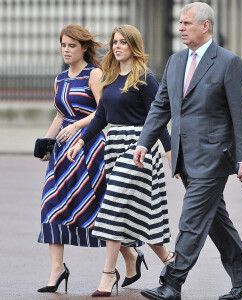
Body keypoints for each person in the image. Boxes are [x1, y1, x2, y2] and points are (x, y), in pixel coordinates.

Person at [134, 2, 242, 300]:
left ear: (205, 26)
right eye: (179, 23)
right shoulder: (175, 61)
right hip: (184, 156)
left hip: (215, 158)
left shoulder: (229, 62)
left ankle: (172, 283)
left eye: (187, 23)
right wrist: (143, 142)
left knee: (191, 220)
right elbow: (161, 106)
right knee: (216, 220)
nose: (180, 28)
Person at [67, 24, 174, 297]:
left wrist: (172, 153)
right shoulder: (110, 78)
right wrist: (80, 142)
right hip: (114, 147)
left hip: (140, 148)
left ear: (133, 46)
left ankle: (107, 274)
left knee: (112, 206)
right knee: (132, 214)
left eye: (123, 42)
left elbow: (158, 118)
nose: (117, 46)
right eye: (115, 42)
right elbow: (101, 118)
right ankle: (170, 261)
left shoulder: (145, 79)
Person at [36, 24, 108, 293]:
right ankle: (57, 269)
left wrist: (77, 127)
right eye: (63, 45)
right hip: (62, 153)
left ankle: (130, 255)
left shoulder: (95, 74)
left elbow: (104, 113)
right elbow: (59, 115)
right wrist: (45, 143)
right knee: (51, 204)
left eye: (72, 46)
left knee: (99, 207)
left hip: (89, 148)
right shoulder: (60, 79)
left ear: (85, 48)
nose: (66, 50)